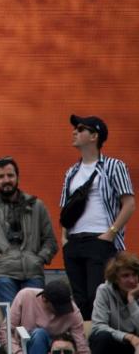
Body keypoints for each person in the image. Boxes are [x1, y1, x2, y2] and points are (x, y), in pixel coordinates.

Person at [61, 114, 135, 319]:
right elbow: (65, 209)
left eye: (81, 129)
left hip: (100, 239)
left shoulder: (113, 166)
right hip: (74, 241)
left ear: (94, 136)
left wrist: (110, 234)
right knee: (79, 300)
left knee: (97, 296)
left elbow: (129, 204)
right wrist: (65, 239)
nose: (75, 132)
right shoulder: (71, 172)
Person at [0, 157, 58, 304]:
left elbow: (50, 241)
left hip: (33, 272)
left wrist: (39, 259)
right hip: (2, 273)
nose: (6, 180)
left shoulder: (37, 206)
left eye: (10, 175)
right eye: (1, 177)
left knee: (33, 315)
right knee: (14, 315)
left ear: (18, 177)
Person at [0, 280, 88, 354]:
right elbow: (5, 331)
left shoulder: (73, 310)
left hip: (56, 349)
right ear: (44, 299)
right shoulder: (25, 295)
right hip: (25, 346)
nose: (62, 311)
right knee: (39, 334)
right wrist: (17, 352)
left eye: (65, 306)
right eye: (58, 307)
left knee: (63, 346)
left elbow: (81, 344)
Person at [89, 251, 139, 354]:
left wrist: (132, 301)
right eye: (125, 276)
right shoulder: (104, 290)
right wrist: (127, 336)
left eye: (134, 275)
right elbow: (98, 326)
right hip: (115, 341)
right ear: (115, 279)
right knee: (101, 337)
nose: (132, 280)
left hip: (136, 344)